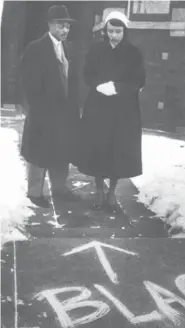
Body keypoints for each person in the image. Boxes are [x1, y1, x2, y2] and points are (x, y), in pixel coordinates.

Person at [77, 11, 146, 211]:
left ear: (125, 31)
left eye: (117, 31)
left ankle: (112, 191)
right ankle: (99, 188)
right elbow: (87, 73)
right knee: (98, 146)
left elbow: (139, 80)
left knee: (117, 149)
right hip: (99, 107)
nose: (113, 35)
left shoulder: (134, 53)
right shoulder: (96, 50)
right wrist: (98, 86)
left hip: (123, 110)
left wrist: (118, 87)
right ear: (105, 31)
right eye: (110, 31)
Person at [19, 5, 80, 208]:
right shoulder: (36, 48)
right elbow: (29, 84)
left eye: (67, 27)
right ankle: (35, 193)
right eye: (61, 26)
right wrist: (38, 110)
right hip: (43, 112)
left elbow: (72, 81)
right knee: (39, 152)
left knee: (62, 151)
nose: (65, 30)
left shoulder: (69, 48)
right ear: (50, 25)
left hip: (64, 113)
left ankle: (59, 189)